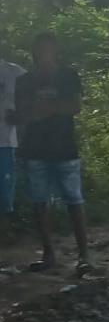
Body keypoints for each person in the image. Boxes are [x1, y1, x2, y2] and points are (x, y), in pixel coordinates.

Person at [14, 33, 90, 275]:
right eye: (40, 48)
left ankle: (84, 255)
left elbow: (75, 107)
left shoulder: (69, 75)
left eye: (48, 48)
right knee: (39, 202)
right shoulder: (24, 80)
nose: (44, 52)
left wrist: (42, 110)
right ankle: (49, 254)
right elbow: (22, 113)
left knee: (74, 201)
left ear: (56, 50)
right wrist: (53, 109)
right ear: (34, 51)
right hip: (35, 149)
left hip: (65, 147)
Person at [1, 51, 26, 223]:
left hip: (4, 141)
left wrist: (21, 115)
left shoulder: (13, 71)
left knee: (3, 193)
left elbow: (34, 93)